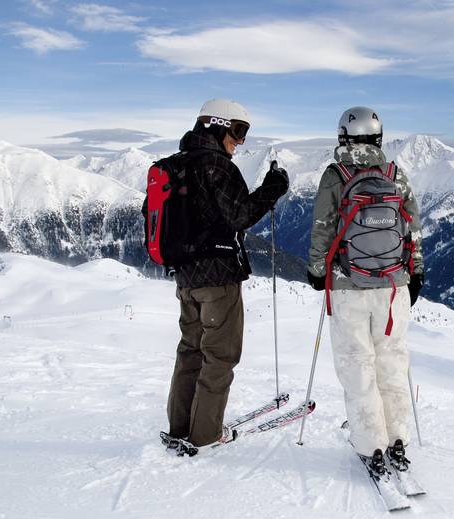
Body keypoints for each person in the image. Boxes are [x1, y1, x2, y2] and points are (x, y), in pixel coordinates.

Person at [165, 98, 289, 452]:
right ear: (218, 126)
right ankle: (204, 435)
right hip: (217, 279)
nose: (240, 141)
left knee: (190, 351)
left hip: (185, 278)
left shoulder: (177, 164)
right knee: (219, 357)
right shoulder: (217, 166)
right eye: (237, 131)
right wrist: (273, 187)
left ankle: (179, 426)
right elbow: (240, 215)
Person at [306, 106, 424, 475]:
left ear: (343, 137)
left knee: (358, 364)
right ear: (379, 137)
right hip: (393, 287)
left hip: (348, 284)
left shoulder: (334, 175)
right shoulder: (395, 175)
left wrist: (317, 270)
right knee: (392, 361)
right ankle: (398, 438)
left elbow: (323, 228)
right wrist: (414, 274)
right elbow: (413, 229)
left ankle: (371, 444)